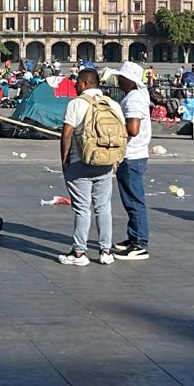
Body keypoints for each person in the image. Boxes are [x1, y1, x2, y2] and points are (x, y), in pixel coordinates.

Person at [58, 68, 125, 266]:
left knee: (82, 208)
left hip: (81, 162)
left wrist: (64, 159)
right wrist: (115, 158)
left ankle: (79, 253)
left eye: (77, 82)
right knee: (103, 208)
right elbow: (120, 134)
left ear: (85, 83)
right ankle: (105, 251)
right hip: (105, 163)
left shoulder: (76, 104)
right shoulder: (112, 104)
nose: (75, 86)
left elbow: (67, 133)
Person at [113, 61, 151, 261]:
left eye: (120, 77)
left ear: (130, 80)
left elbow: (133, 129)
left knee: (134, 200)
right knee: (131, 199)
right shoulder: (135, 96)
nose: (117, 80)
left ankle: (139, 244)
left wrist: (112, 132)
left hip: (132, 155)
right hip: (135, 154)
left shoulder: (134, 99)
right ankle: (134, 236)